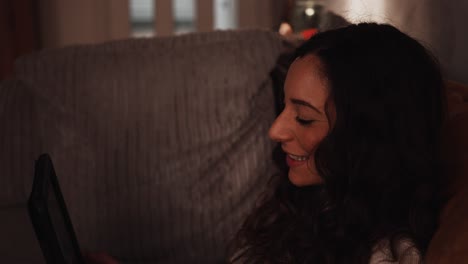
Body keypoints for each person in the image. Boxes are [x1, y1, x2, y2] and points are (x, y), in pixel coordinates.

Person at [230, 23, 446, 263]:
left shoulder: (389, 254)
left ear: (367, 137)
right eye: (284, 106)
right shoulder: (307, 201)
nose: (275, 130)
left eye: (304, 118)